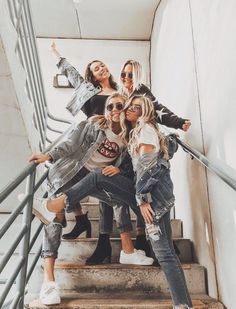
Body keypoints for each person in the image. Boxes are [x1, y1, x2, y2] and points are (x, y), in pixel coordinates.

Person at [29, 93, 153, 305]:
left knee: (118, 199)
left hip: (93, 179)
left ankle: (128, 250)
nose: (114, 109)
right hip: (69, 172)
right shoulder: (93, 124)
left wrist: (118, 169)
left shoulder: (129, 137)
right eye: (110, 106)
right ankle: (49, 282)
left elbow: (130, 166)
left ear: (126, 109)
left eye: (119, 105)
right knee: (55, 220)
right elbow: (70, 143)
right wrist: (49, 156)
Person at [92, 59, 191, 264]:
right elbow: (110, 118)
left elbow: (158, 110)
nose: (127, 78)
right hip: (124, 151)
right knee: (114, 192)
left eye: (131, 74)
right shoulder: (117, 96)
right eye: (124, 74)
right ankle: (105, 242)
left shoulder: (141, 93)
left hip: (142, 149)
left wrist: (179, 122)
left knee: (147, 190)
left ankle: (150, 239)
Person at [125, 94, 193, 309]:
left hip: (153, 196)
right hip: (157, 193)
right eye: (128, 106)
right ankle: (183, 304)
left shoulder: (145, 128)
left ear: (144, 111)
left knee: (163, 253)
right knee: (167, 253)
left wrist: (142, 199)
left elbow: (148, 164)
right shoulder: (141, 130)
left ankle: (182, 305)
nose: (128, 109)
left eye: (135, 107)